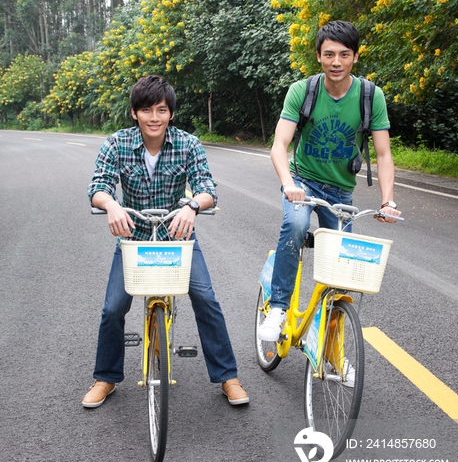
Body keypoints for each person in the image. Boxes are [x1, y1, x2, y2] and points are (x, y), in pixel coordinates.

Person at [83, 75, 249, 407]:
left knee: (206, 299)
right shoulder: (117, 143)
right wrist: (111, 204)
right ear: (134, 113)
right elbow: (98, 187)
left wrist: (191, 206)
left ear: (170, 113)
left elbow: (207, 190)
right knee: (113, 308)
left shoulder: (188, 144)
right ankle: (106, 377)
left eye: (161, 110)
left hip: (178, 238)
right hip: (133, 240)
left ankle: (228, 377)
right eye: (146, 110)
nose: (154, 117)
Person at [259, 20, 401, 341]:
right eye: (329, 55)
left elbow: (384, 154)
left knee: (341, 270)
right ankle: (278, 308)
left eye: (344, 54)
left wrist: (387, 200)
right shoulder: (303, 91)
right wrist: (289, 183)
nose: (336, 62)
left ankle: (333, 354)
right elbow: (279, 146)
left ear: (355, 57)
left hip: (340, 191)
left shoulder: (370, 95)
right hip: (303, 182)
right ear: (319, 56)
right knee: (295, 226)